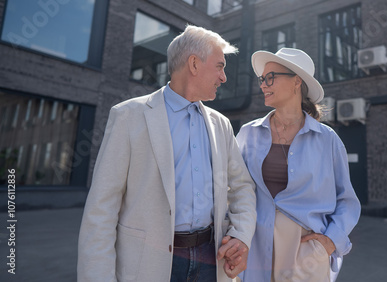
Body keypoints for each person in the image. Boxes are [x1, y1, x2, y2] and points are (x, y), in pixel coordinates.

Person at [77, 25, 257, 282]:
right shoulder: (128, 116)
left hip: (211, 261)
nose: (224, 77)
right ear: (194, 64)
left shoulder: (221, 124)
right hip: (148, 265)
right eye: (219, 66)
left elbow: (242, 188)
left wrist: (241, 235)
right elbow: (101, 209)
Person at [235, 48, 361, 282]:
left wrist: (331, 241)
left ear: (296, 81)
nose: (263, 84)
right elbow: (233, 189)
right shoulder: (247, 133)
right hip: (253, 252)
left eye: (270, 77)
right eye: (262, 79)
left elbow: (347, 201)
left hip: (306, 255)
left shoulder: (327, 139)